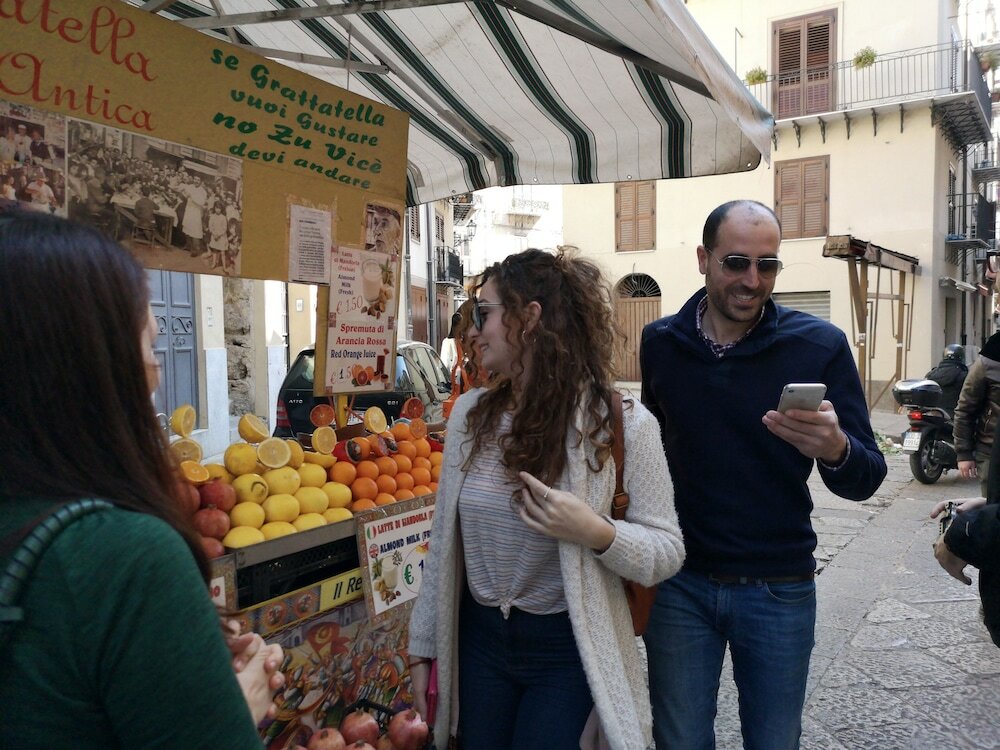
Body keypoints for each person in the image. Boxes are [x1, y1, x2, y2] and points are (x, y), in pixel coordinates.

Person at [0, 210, 282, 747]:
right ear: (91, 370)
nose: (155, 378)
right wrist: (236, 708)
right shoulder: (123, 556)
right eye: (149, 349)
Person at [408, 248, 685, 750]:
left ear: (529, 319)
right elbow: (444, 546)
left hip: (567, 652)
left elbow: (666, 550)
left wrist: (596, 532)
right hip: (479, 645)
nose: (472, 330)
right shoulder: (469, 416)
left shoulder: (622, 424)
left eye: (484, 313)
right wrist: (422, 648)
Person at [639, 200, 887, 750]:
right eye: (736, 263)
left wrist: (837, 447)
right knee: (678, 741)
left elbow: (867, 477)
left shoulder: (818, 345)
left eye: (768, 265)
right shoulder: (660, 343)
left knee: (775, 742)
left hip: (779, 587)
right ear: (704, 259)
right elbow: (648, 457)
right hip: (679, 583)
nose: (752, 280)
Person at [953, 331, 1000, 496]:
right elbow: (965, 409)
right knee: (993, 511)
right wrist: (964, 453)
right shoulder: (989, 361)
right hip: (992, 453)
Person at [924, 344, 967, 415]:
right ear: (961, 357)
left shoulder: (931, 374)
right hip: (955, 415)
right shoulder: (963, 375)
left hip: (933, 414)